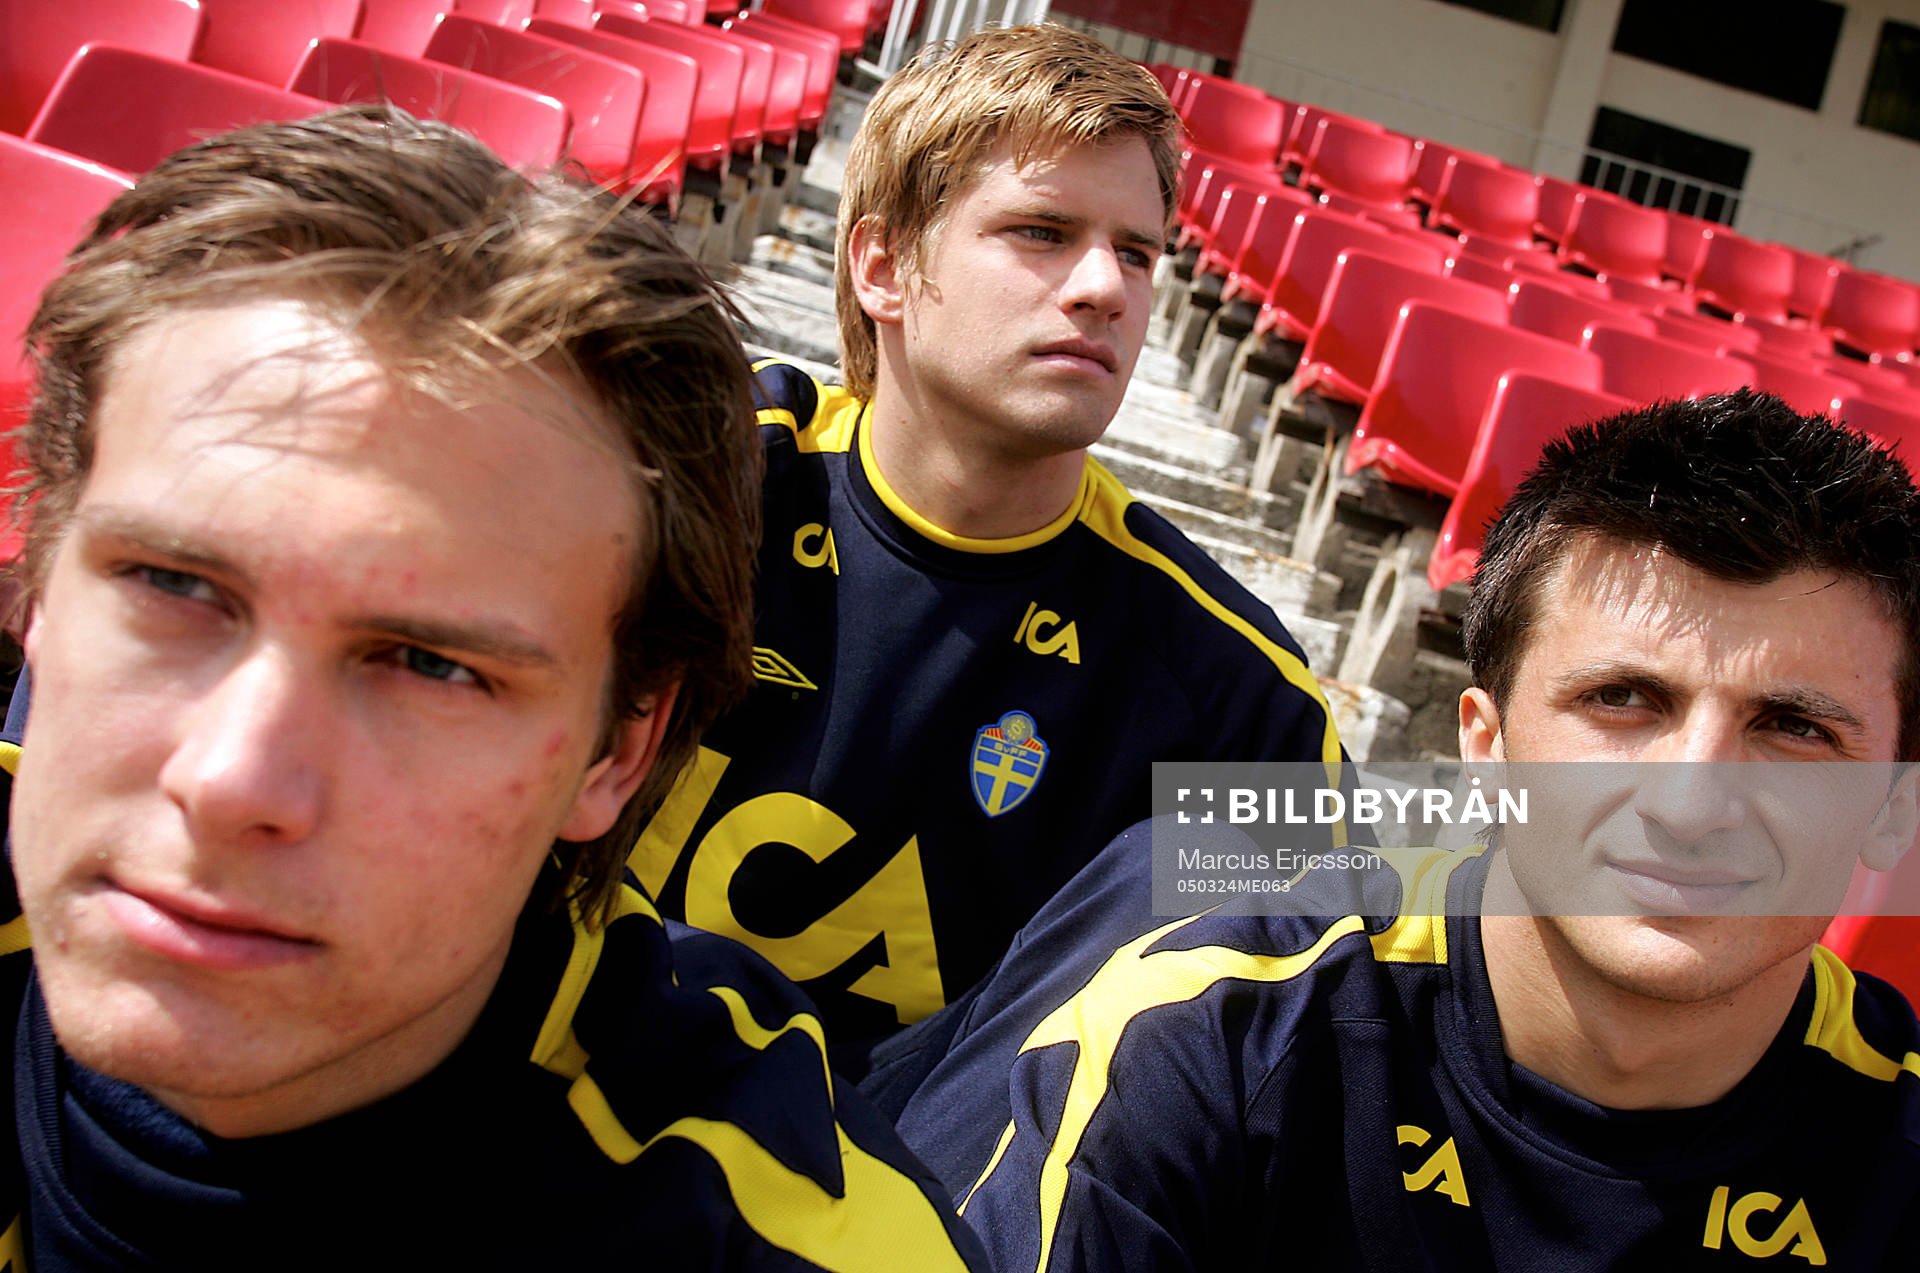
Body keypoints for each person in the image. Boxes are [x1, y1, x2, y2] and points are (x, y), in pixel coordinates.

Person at [0, 105, 984, 1271]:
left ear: (619, 749)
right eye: (170, 583)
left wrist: (1227, 854)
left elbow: (1229, 886)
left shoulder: (1219, 670)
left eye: (431, 665)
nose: (230, 778)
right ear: (40, 589)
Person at [898, 391, 1920, 1269]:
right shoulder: (1204, 1022)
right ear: (1483, 748)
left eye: (1795, 727)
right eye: (1623, 700)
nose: (1695, 798)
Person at [629, 23, 1346, 1073]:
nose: (1106, 286)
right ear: (884, 264)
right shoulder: (700, 475)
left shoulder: (1227, 691)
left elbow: (1444, 874)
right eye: (1042, 231)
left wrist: (1667, 829)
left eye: (1137, 253)